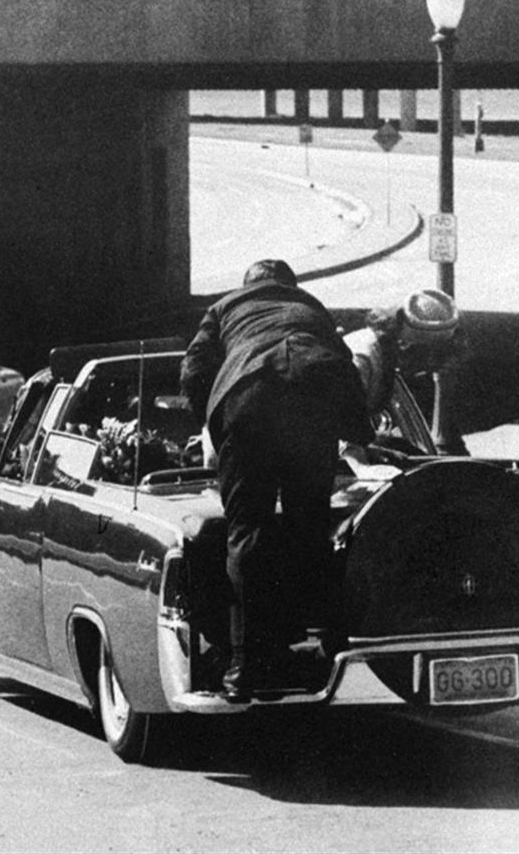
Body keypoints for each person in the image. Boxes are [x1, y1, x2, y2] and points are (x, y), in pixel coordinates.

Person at [180, 259, 373, 700]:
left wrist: (211, 422)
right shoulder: (310, 307)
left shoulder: (225, 308)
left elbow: (193, 370)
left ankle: (246, 667)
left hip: (248, 401)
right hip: (313, 403)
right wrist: (360, 434)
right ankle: (325, 651)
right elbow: (343, 367)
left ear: (247, 284)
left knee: (248, 532)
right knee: (312, 528)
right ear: (290, 285)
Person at [340, 288, 461, 466]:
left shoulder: (385, 355)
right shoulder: (362, 357)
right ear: (406, 345)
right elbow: (340, 418)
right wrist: (362, 465)